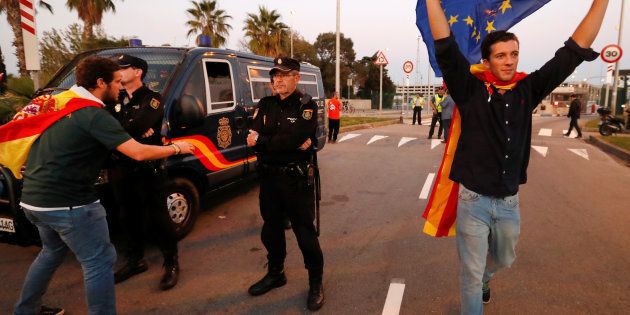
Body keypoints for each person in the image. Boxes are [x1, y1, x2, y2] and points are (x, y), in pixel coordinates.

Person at [426, 0, 609, 314]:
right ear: (487, 61)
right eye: (500, 55)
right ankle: (476, 284)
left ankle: (486, 276)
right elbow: (445, 45)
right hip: (473, 201)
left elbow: (574, 49)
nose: (509, 61)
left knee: (504, 259)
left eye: (513, 54)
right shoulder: (469, 90)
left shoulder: (529, 89)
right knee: (468, 275)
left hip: (509, 202)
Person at [11, 56, 194, 315]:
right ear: (100, 82)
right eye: (116, 81)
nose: (119, 87)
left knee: (51, 253)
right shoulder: (93, 114)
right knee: (98, 263)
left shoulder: (60, 104)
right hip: (70, 204)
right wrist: (177, 147)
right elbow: (138, 151)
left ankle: (26, 309)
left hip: (33, 199)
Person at [246, 57, 325, 311]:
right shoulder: (265, 104)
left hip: (295, 180)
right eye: (274, 75)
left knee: (305, 234)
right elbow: (256, 135)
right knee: (271, 230)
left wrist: (263, 141)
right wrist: (279, 142)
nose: (277, 80)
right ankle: (276, 273)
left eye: (284, 75)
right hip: (269, 179)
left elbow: (292, 139)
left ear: (296, 78)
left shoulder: (306, 105)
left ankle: (315, 282)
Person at [108, 54, 180, 290]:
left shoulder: (152, 99)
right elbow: (104, 126)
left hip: (146, 170)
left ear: (137, 72)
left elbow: (134, 126)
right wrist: (133, 131)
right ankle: (135, 260)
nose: (118, 72)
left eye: (123, 68)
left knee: (159, 218)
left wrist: (129, 130)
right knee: (127, 217)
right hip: (120, 169)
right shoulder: (114, 99)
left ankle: (171, 262)